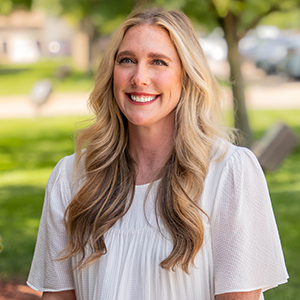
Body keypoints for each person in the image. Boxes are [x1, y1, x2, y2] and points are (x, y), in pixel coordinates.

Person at [27, 7, 288, 300]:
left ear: (186, 75)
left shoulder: (230, 172)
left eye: (158, 62)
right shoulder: (71, 177)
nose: (139, 77)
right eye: (127, 60)